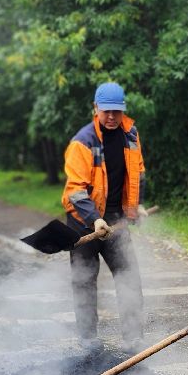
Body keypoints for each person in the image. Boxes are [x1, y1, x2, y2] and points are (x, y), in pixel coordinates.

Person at [62, 82, 145, 354]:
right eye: (106, 111)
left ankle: (133, 339)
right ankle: (88, 340)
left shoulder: (131, 136)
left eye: (116, 112)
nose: (111, 117)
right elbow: (75, 190)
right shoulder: (82, 142)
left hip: (117, 221)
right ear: (95, 108)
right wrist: (94, 218)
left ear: (123, 111)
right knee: (84, 280)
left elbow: (137, 174)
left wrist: (135, 207)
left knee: (129, 276)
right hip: (83, 223)